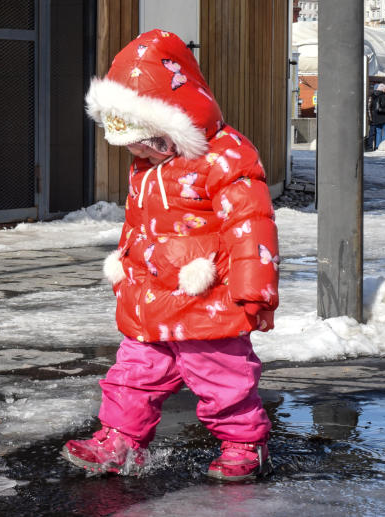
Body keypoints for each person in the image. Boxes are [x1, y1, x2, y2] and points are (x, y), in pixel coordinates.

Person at [60, 29, 279, 482]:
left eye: (142, 140)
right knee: (133, 373)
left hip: (207, 294)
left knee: (221, 376)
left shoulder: (224, 158)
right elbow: (139, 224)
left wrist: (253, 289)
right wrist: (124, 262)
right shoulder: (146, 169)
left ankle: (244, 443)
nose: (135, 152)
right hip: (149, 293)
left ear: (171, 123)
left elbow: (251, 223)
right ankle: (120, 440)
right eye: (128, 144)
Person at [368, 83, 385, 150]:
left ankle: (377, 146)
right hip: (384, 117)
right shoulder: (384, 96)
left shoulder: (373, 96)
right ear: (382, 89)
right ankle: (383, 146)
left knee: (378, 132)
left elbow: (371, 107)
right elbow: (384, 105)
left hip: (376, 118)